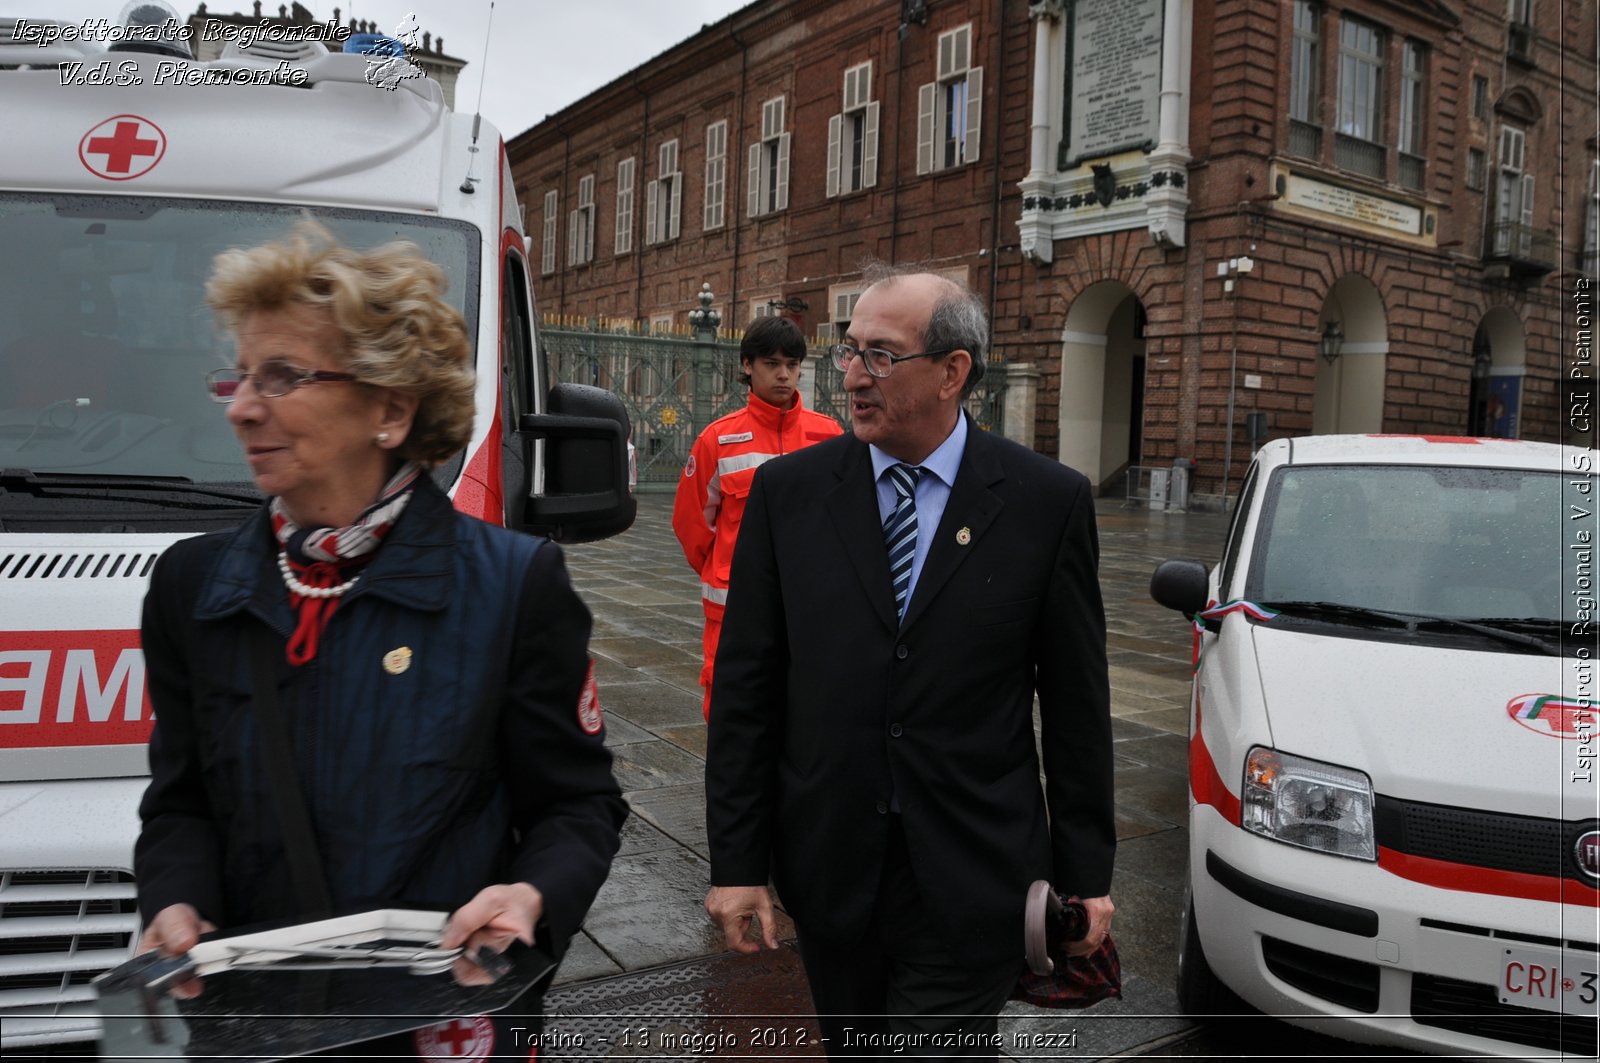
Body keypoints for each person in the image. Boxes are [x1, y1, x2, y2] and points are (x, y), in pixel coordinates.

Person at [134, 222, 627, 1057]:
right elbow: (181, 802)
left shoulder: (514, 585)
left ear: (391, 409)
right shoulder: (192, 585)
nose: (244, 406)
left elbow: (578, 805)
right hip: (250, 1026)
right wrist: (174, 898)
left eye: (282, 375)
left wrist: (529, 893)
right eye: (240, 376)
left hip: (436, 1024)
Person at [703, 269, 1115, 1058]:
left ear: (954, 372)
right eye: (849, 352)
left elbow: (1074, 703)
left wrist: (1086, 871)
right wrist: (738, 861)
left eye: (882, 357)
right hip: (831, 867)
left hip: (972, 870)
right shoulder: (789, 495)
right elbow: (747, 689)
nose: (853, 376)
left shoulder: (1043, 501)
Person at [672, 315, 842, 719]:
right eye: (772, 364)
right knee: (734, 709)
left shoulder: (830, 436)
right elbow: (693, 525)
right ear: (747, 366)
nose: (784, 375)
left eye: (792, 365)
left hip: (809, 606)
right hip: (733, 609)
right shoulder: (717, 439)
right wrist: (726, 569)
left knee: (808, 708)